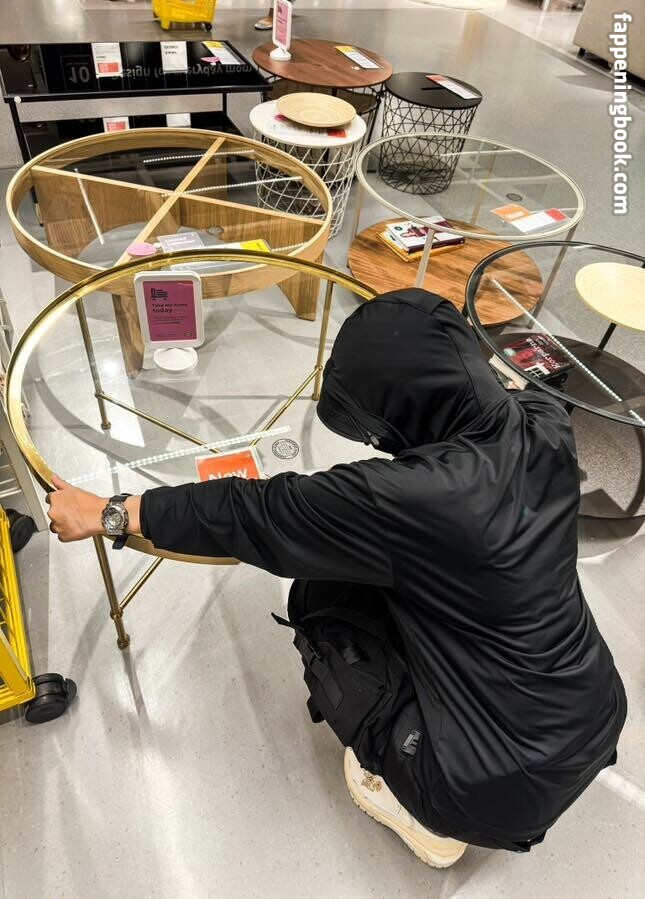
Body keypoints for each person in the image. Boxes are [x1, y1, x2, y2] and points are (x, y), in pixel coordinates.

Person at [47, 288, 627, 868]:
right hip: (594, 709)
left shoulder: (413, 498)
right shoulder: (546, 420)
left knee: (321, 600)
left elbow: (253, 513)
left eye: (375, 431)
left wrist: (108, 512)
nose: (378, 445)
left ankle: (420, 807)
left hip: (485, 785)